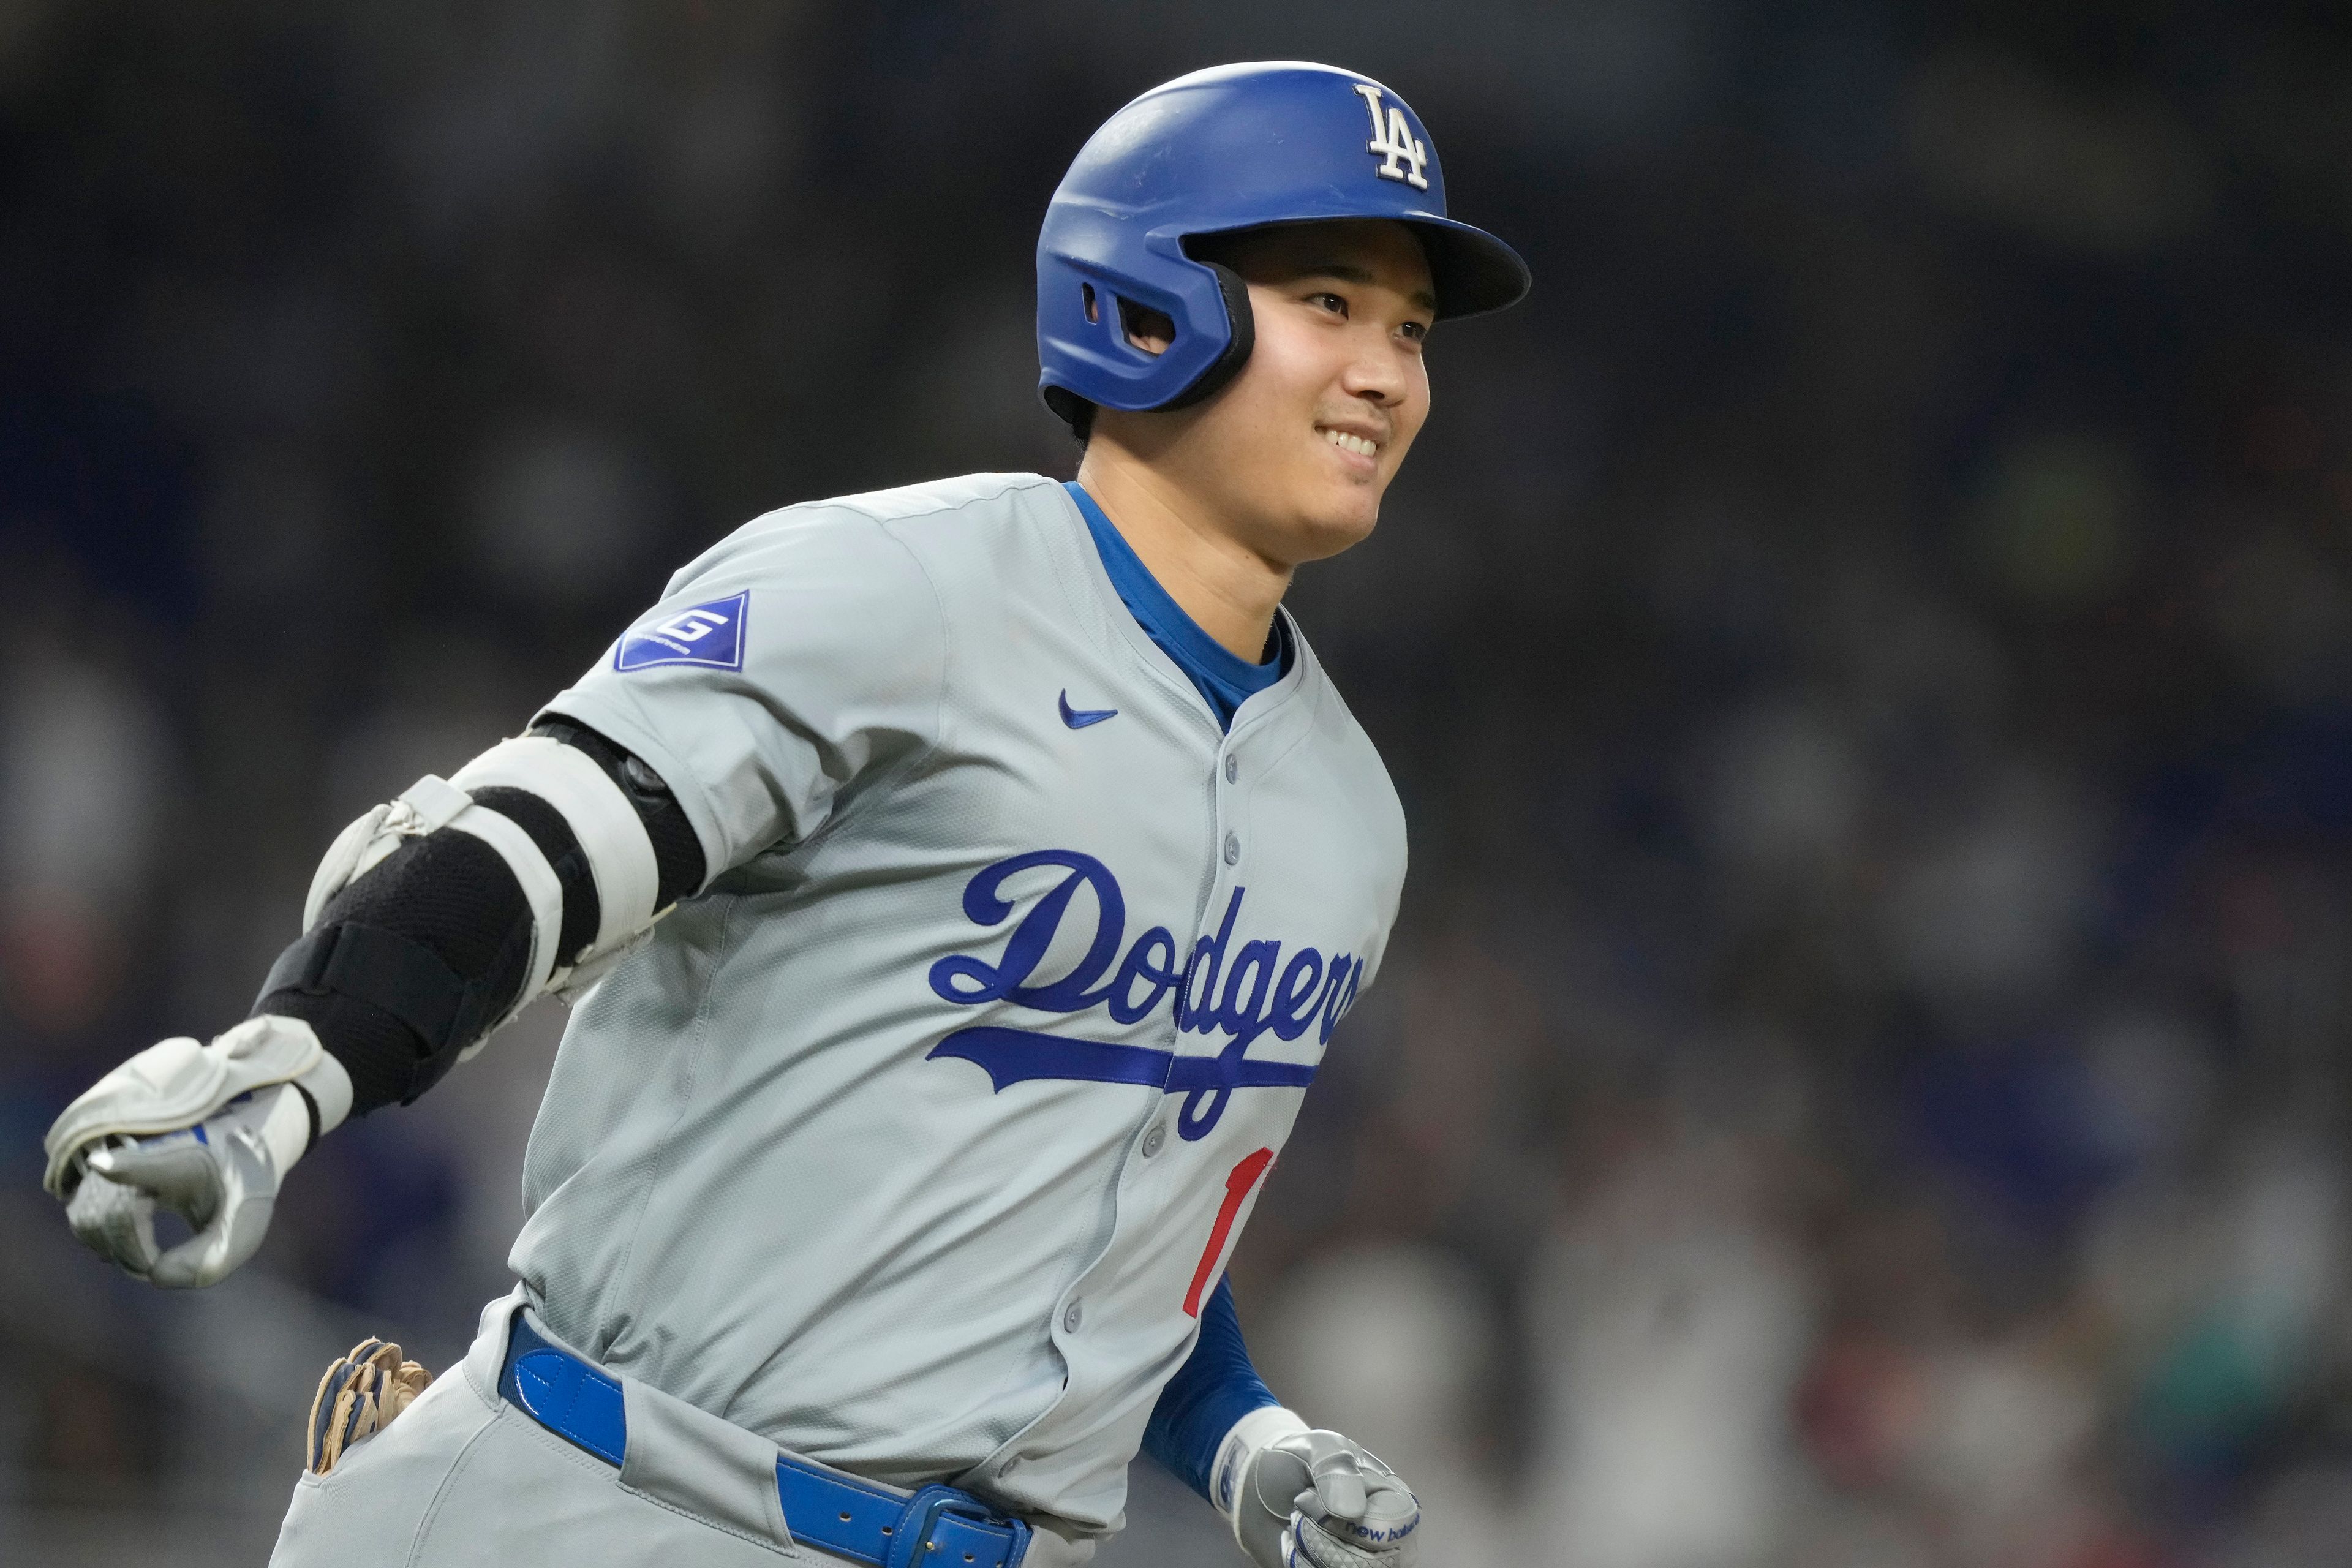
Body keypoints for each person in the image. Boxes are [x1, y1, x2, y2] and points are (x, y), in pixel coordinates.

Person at [41, 59, 1528, 1568]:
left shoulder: (1349, 815)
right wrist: (294, 1061)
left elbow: (1118, 1212)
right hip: (609, 1505)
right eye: (1330, 302)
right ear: (1150, 303)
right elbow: (549, 840)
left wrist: (1238, 1435)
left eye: (1409, 329)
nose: (1388, 373)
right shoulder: (901, 583)